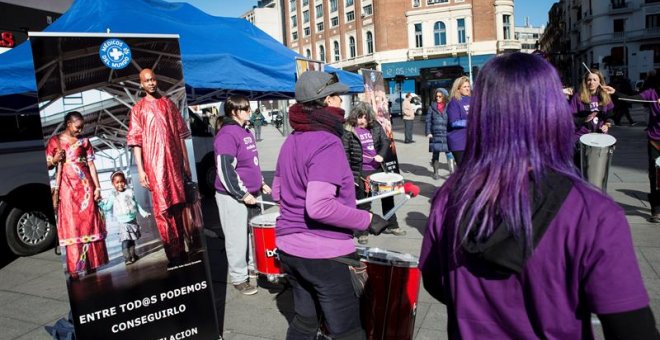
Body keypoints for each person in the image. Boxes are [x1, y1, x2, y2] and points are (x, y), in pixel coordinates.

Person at [419, 52, 658, 339]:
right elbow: (632, 328)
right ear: (553, 111)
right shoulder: (592, 212)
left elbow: (436, 282)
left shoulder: (448, 198)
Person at [273, 71, 390, 339]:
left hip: (290, 249)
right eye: (337, 96)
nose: (341, 101)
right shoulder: (327, 142)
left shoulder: (291, 140)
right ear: (326, 101)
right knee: (347, 331)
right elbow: (319, 207)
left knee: (305, 323)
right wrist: (367, 220)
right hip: (324, 256)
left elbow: (279, 192)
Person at [126, 68, 192, 267]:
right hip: (154, 167)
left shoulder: (168, 104)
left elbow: (181, 136)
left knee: (178, 206)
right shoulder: (137, 109)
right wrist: (142, 170)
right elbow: (136, 141)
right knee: (163, 210)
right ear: (141, 84)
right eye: (147, 80)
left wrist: (186, 163)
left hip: (174, 164)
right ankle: (172, 254)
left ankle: (182, 249)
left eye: (153, 79)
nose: (151, 83)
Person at [214, 95, 271, 296]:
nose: (249, 112)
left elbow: (251, 162)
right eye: (245, 109)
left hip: (251, 193)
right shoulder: (227, 134)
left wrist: (261, 182)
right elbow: (225, 168)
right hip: (232, 197)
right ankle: (239, 278)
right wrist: (242, 193)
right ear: (234, 112)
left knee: (253, 235)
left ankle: (254, 269)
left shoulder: (245, 131)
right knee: (236, 238)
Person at [46, 111, 108, 278]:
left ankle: (92, 265)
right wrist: (54, 159)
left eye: (82, 127)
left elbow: (91, 165)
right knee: (72, 226)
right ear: (68, 124)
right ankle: (75, 269)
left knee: (89, 224)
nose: (81, 130)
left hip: (86, 188)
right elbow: (47, 165)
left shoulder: (85, 142)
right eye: (78, 127)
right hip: (67, 190)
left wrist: (98, 188)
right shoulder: (55, 141)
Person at [342, 102, 396, 244]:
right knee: (364, 202)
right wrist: (349, 174)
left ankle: (392, 224)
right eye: (360, 117)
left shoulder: (376, 126)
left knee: (387, 197)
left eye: (365, 117)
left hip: (378, 168)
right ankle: (362, 231)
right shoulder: (348, 129)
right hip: (361, 171)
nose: (362, 120)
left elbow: (385, 142)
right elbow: (345, 152)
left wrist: (382, 155)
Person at [607, 80, 660, 222]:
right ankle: (656, 209)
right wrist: (616, 93)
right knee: (655, 176)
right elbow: (633, 98)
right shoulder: (652, 93)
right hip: (655, 141)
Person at [99, 171, 151, 265]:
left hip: (132, 220)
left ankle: (133, 255)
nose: (120, 184)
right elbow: (107, 207)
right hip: (123, 223)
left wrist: (144, 213)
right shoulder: (113, 195)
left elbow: (136, 204)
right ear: (113, 184)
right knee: (125, 240)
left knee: (131, 239)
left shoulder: (130, 192)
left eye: (122, 181)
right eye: (117, 182)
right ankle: (127, 258)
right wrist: (100, 203)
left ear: (125, 182)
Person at [568, 69, 614, 137]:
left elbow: (610, 116)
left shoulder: (605, 96)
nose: (591, 82)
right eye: (589, 79)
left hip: (601, 135)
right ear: (585, 81)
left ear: (600, 82)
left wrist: (607, 125)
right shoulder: (578, 97)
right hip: (581, 136)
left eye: (595, 80)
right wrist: (584, 119)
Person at [425, 88, 450, 180]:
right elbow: (428, 121)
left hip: (447, 133)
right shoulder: (432, 107)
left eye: (440, 96)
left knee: (449, 153)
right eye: (437, 96)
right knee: (436, 153)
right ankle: (436, 173)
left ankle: (452, 172)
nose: (438, 98)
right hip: (435, 134)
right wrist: (428, 132)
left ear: (444, 96)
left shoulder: (449, 106)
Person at [446, 76, 471, 165]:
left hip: (472, 141)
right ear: (458, 89)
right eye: (465, 87)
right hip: (459, 142)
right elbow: (453, 122)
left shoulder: (472, 99)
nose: (468, 89)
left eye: (468, 86)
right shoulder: (454, 102)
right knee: (465, 172)